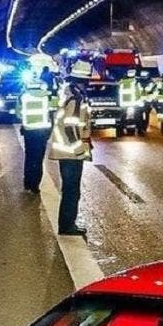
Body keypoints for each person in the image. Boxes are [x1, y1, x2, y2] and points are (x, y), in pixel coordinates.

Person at [48, 60, 94, 238]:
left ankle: (67, 223)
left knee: (70, 189)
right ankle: (67, 225)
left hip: (65, 150)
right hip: (70, 153)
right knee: (71, 190)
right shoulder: (76, 99)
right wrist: (78, 149)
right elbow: (70, 127)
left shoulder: (68, 94)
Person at [19, 77, 54, 194]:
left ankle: (27, 183)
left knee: (29, 157)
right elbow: (55, 108)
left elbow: (19, 114)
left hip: (29, 131)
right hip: (42, 132)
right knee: (38, 159)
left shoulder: (23, 96)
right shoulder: (47, 96)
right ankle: (35, 185)